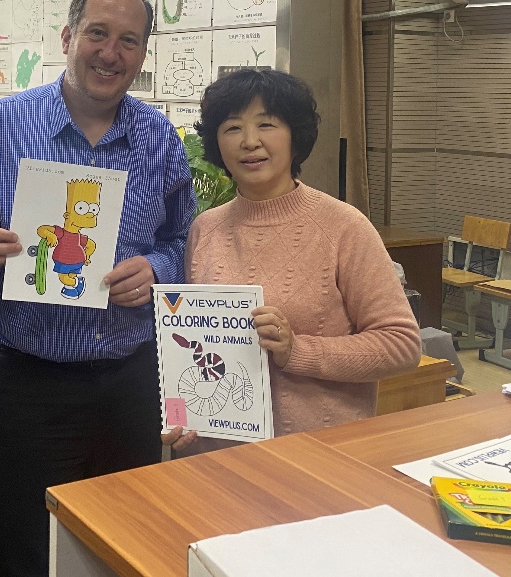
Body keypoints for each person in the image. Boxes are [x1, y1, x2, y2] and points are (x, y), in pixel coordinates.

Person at [0, 0, 196, 577]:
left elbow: (179, 240)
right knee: (15, 550)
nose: (110, 53)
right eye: (97, 33)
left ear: (142, 54)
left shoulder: (160, 140)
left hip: (129, 385)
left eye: (128, 40)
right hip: (26, 386)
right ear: (68, 37)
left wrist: (158, 269)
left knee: (123, 548)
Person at [165, 68, 420, 454]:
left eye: (266, 124)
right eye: (232, 128)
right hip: (216, 457)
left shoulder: (343, 227)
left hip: (319, 455)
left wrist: (295, 350)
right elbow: (192, 347)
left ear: (295, 137)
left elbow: (401, 345)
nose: (250, 142)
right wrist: (182, 414)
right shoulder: (206, 229)